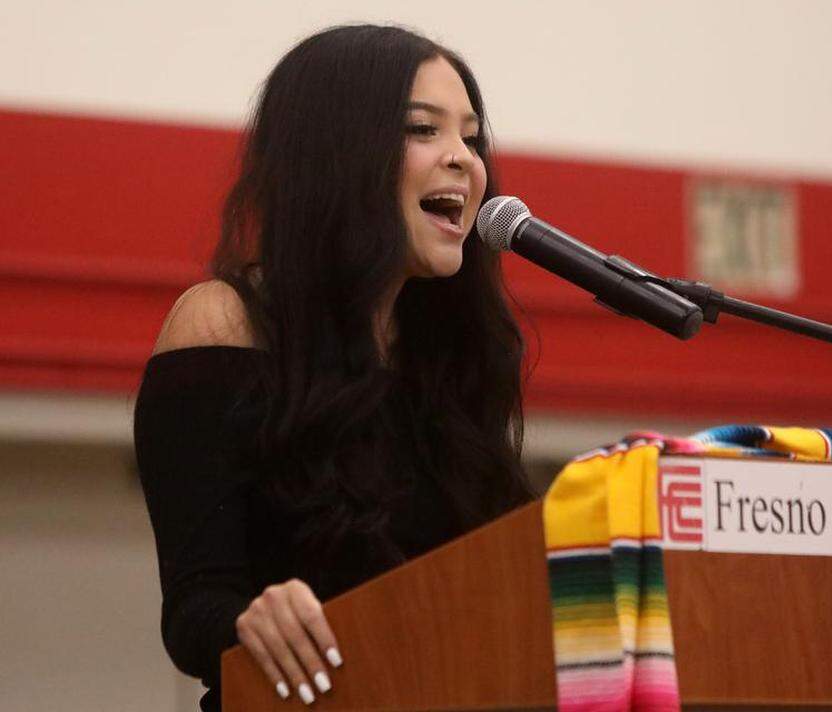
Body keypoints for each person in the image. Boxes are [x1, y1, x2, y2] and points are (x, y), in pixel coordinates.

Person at [133, 25, 533, 710]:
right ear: (338, 153)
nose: (464, 160)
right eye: (423, 130)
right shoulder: (226, 322)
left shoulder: (450, 355)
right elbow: (196, 608)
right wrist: (252, 619)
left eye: (471, 138)